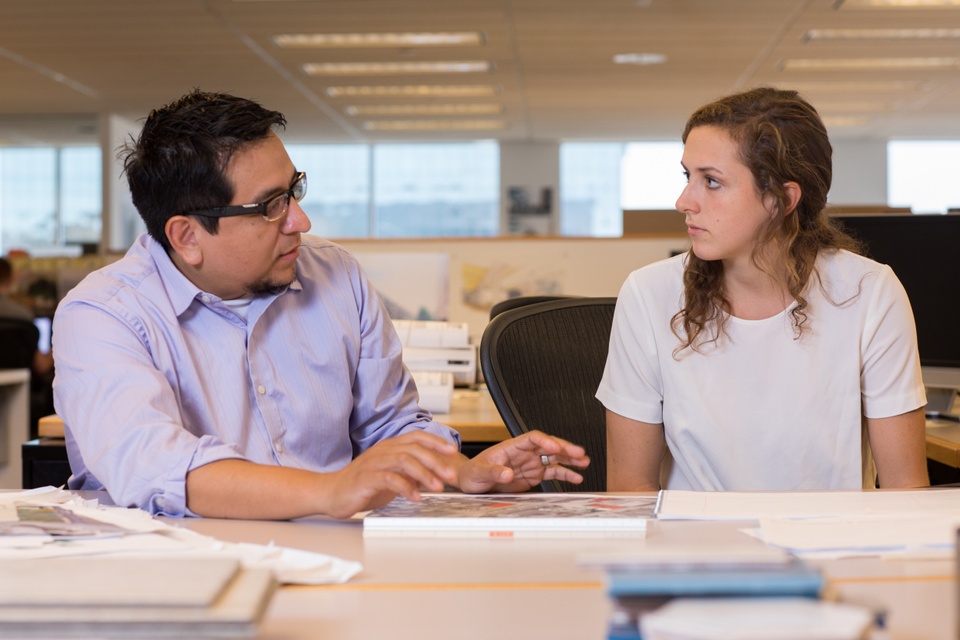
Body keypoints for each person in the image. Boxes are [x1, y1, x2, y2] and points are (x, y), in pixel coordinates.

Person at [52, 90, 589, 520]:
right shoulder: (102, 315)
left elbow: (392, 428)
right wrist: (331, 490)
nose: (299, 222)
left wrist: (460, 472)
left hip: (338, 557)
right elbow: (158, 470)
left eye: (294, 191)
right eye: (270, 206)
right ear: (187, 236)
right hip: (179, 576)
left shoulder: (335, 275)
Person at [598, 87, 929, 492]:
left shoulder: (869, 293)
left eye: (712, 182)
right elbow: (630, 491)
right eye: (688, 176)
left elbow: (905, 489)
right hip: (693, 548)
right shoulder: (649, 294)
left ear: (783, 199)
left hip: (830, 547)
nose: (684, 201)